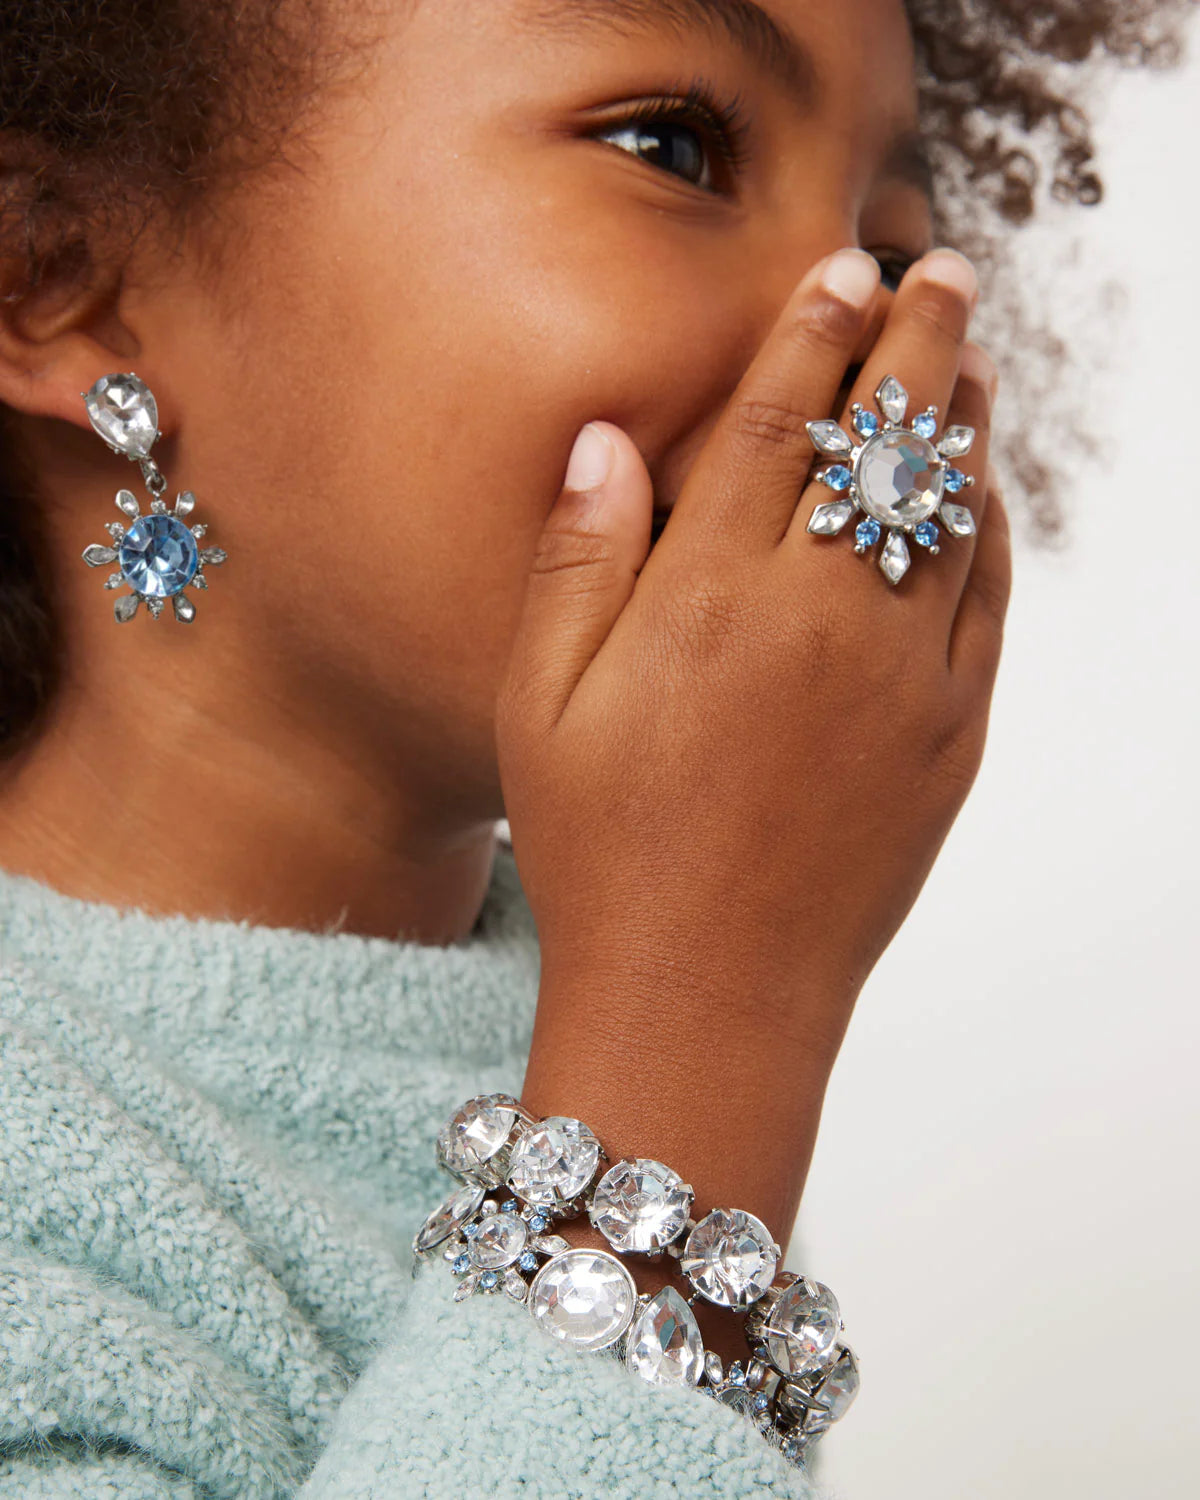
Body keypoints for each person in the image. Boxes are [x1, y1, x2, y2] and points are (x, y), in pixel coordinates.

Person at [0, 1, 1190, 1495]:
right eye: (670, 148)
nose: (860, 342)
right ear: (60, 279)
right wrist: (699, 1030)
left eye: (892, 257)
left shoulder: (578, 1041)